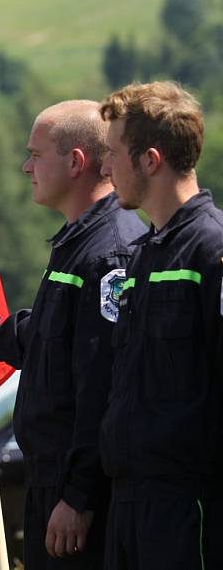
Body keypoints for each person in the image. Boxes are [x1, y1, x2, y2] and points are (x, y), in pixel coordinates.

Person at [0, 100, 145, 569]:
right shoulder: (78, 243)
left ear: (76, 162)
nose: (26, 166)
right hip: (49, 481)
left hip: (77, 494)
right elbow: (47, 333)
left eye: (36, 155)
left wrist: (79, 498)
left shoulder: (109, 256)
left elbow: (101, 387)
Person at [97, 81, 221, 570]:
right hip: (128, 505)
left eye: (112, 154)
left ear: (150, 160)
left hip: (188, 509)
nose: (105, 168)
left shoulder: (211, 251)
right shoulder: (146, 253)